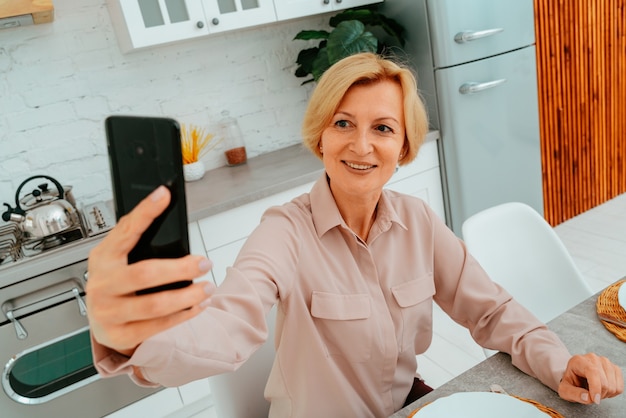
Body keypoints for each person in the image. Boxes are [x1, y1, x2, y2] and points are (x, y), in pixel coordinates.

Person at [86, 52, 623, 417]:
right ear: (321, 136)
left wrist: (560, 364)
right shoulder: (284, 232)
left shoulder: (417, 220)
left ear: (404, 147)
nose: (360, 145)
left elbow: (492, 312)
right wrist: (132, 336)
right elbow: (227, 329)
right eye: (343, 123)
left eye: (382, 128)